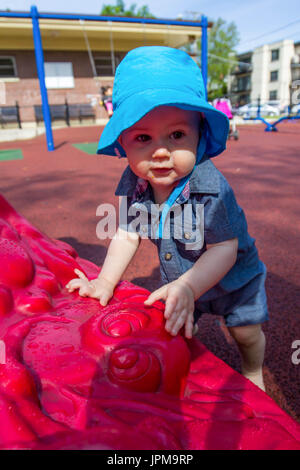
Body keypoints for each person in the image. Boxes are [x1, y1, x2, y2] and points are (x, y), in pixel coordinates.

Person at [66, 47, 268, 391]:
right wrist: (104, 282)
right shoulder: (135, 183)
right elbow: (128, 233)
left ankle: (252, 371)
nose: (161, 152)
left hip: (234, 280)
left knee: (245, 332)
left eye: (177, 135)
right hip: (181, 279)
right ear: (123, 144)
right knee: (173, 329)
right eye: (143, 138)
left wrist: (190, 286)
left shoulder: (211, 186)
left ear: (200, 135)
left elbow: (225, 248)